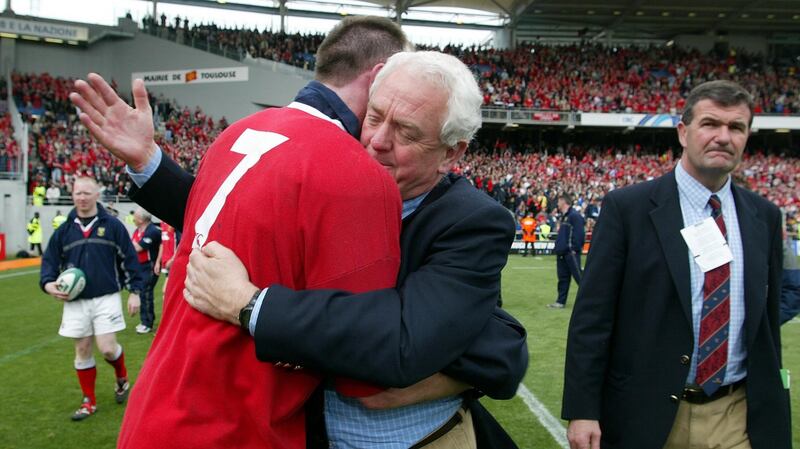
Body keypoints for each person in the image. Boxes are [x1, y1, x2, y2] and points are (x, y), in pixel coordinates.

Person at [70, 22, 524, 449]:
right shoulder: (336, 178)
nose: (378, 141)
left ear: (451, 153)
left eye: (406, 131)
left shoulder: (469, 220)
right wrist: (149, 162)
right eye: (375, 117)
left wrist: (249, 305)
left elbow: (431, 338)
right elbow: (248, 221)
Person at [562, 80, 791, 449]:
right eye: (710, 124)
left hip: (736, 414)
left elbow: (766, 323)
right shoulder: (628, 209)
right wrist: (582, 408)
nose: (723, 136)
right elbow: (592, 317)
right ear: (683, 132)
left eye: (736, 127)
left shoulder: (764, 216)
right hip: (648, 413)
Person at [39, 176, 144, 421]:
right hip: (75, 300)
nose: (82, 198)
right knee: (82, 348)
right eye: (78, 193)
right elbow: (50, 263)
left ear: (97, 194)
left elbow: (129, 259)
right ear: (72, 195)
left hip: (106, 296)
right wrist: (48, 284)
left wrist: (135, 292)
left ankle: (121, 376)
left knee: (107, 349)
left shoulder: (113, 226)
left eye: (87, 193)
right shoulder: (64, 230)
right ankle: (89, 401)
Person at [547, 194, 585, 309]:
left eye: (558, 201)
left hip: (570, 253)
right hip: (562, 253)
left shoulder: (574, 216)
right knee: (563, 278)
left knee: (580, 278)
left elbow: (580, 234)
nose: (557, 204)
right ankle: (560, 301)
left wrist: (574, 248)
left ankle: (593, 301)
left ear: (564, 202)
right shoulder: (564, 217)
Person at [130, 207, 161, 334]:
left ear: (142, 219)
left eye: (136, 216)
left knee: (146, 293)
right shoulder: (138, 230)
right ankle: (145, 321)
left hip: (150, 265)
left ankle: (147, 323)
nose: (133, 219)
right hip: (140, 266)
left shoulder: (152, 231)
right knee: (143, 293)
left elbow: (138, 247)